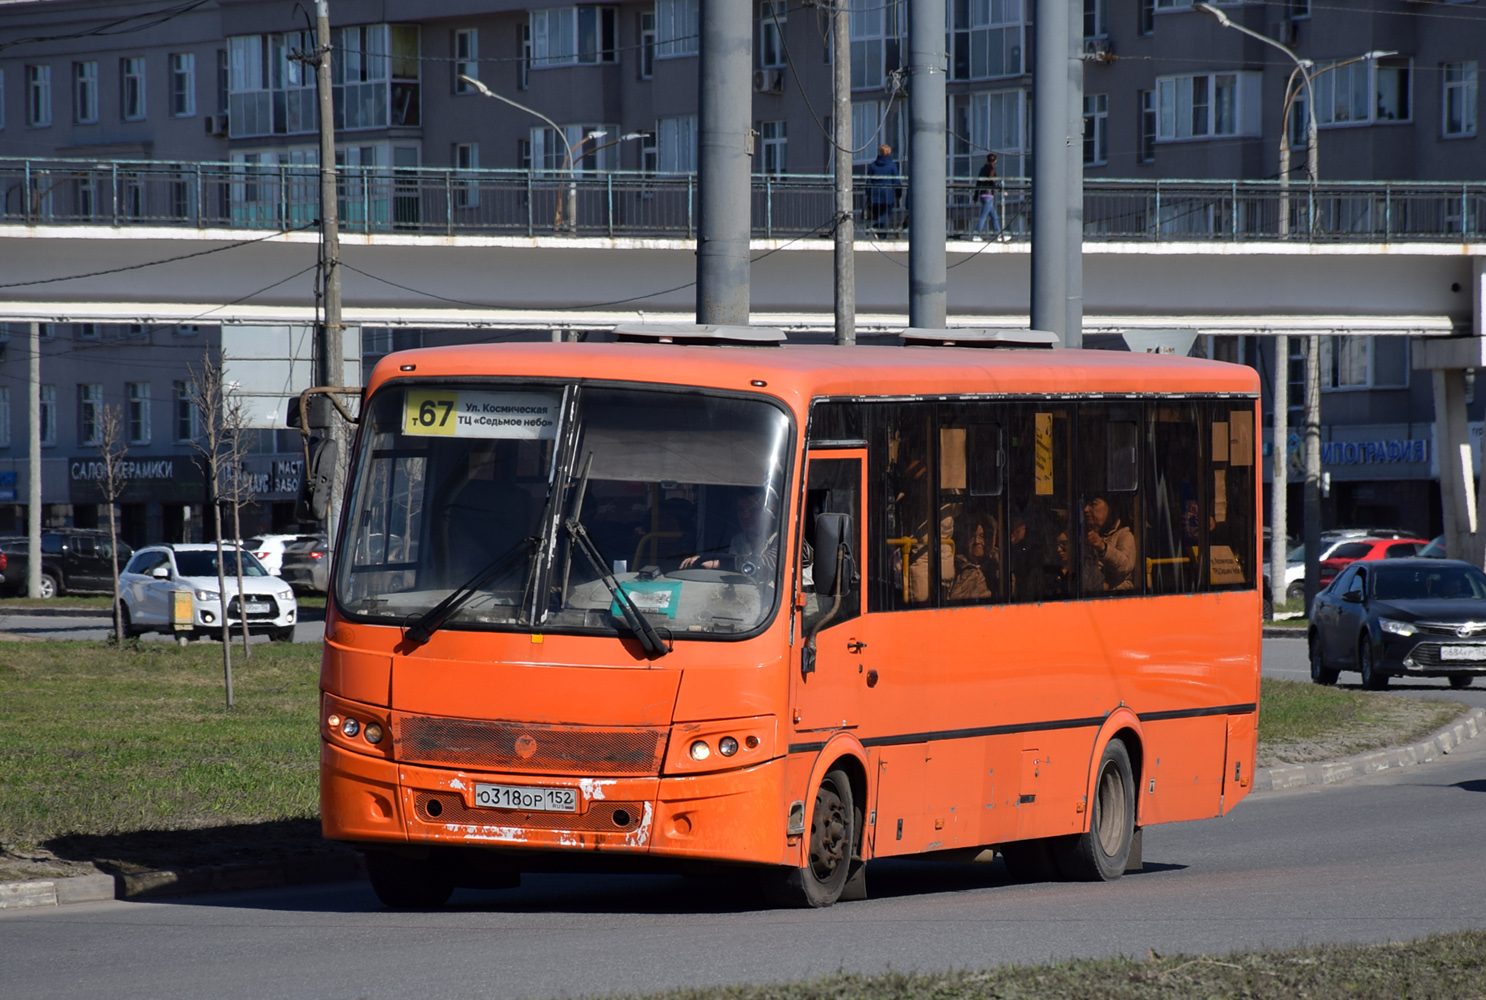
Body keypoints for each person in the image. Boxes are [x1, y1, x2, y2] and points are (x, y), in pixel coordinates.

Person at [681, 489, 777, 578]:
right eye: (741, 510)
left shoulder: (783, 539)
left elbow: (768, 562)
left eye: (753, 510)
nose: (745, 515)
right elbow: (734, 575)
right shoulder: (738, 539)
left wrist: (716, 563)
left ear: (771, 511)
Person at [1082, 492, 1136, 593]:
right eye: (1085, 504)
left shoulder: (1124, 535)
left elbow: (1126, 565)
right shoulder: (1082, 534)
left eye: (1093, 504)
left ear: (1110, 508)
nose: (1086, 509)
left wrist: (1103, 547)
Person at [865, 144, 902, 235]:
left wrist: (869, 194)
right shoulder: (892, 165)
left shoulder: (873, 165)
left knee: (878, 215)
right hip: (887, 195)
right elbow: (896, 181)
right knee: (885, 215)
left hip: (875, 195)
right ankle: (875, 227)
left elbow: (868, 181)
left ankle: (880, 236)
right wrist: (898, 194)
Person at [973, 153, 1006, 241]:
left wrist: (975, 197)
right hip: (989, 196)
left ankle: (999, 234)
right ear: (995, 161)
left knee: (994, 216)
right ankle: (976, 234)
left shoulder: (982, 170)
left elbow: (978, 184)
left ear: (986, 160)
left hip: (982, 195)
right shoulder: (992, 171)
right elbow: (994, 183)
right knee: (984, 216)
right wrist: (1002, 190)